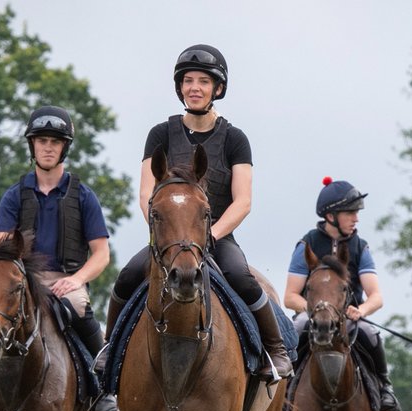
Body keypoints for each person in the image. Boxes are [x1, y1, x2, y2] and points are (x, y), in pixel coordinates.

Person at [102, 44, 292, 382]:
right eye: (188, 81)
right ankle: (109, 351)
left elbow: (243, 201)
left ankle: (275, 350)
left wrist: (210, 235)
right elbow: (147, 193)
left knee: (242, 279)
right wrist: (170, 235)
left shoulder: (235, 139)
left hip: (217, 236)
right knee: (128, 277)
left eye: (203, 81)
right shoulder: (159, 135)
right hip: (169, 238)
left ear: (217, 88)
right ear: (180, 88)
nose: (194, 88)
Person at [0, 106, 118, 411]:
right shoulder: (15, 195)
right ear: (32, 146)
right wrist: (17, 273)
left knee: (81, 312)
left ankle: (103, 387)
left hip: (66, 280)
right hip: (22, 277)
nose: (48, 147)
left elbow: (101, 254)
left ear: (64, 147)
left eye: (55, 142)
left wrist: (77, 280)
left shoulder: (84, 196)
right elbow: (0, 245)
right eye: (42, 141)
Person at [283, 178, 399, 411]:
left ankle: (385, 388)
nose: (356, 218)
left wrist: (361, 311)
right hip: (313, 314)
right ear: (330, 215)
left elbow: (376, 296)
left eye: (356, 213)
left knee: (371, 334)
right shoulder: (308, 244)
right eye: (350, 212)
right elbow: (290, 297)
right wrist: (317, 311)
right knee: (295, 331)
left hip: (349, 316)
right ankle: (284, 390)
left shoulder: (360, 246)